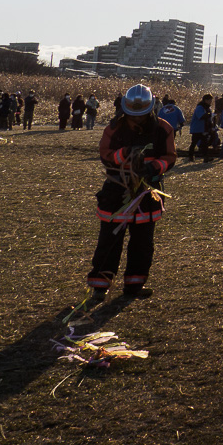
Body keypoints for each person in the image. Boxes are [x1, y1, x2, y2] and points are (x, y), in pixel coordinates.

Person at [86, 84, 176, 299]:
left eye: (141, 115)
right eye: (133, 115)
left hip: (147, 193)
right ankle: (100, 285)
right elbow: (105, 154)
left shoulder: (162, 129)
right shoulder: (114, 128)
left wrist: (153, 168)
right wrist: (125, 154)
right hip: (117, 191)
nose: (137, 119)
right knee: (109, 240)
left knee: (143, 242)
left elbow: (170, 157)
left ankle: (135, 284)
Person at [187, 94, 214, 160]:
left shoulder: (207, 108)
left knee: (205, 143)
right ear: (206, 100)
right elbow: (201, 116)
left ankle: (206, 157)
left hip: (203, 128)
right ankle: (191, 156)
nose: (211, 102)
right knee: (194, 143)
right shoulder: (200, 107)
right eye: (210, 100)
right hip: (197, 128)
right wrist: (209, 115)